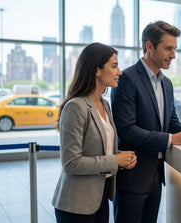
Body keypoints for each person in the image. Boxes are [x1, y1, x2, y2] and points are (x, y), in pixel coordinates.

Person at [111, 21, 181, 223]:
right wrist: (171, 139)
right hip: (133, 176)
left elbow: (172, 122)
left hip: (156, 176)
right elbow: (126, 130)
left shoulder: (166, 84)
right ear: (149, 46)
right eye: (168, 48)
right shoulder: (127, 79)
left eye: (175, 49)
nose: (173, 55)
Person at [52, 42, 137, 223]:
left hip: (100, 199)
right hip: (76, 205)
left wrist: (122, 158)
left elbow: (100, 150)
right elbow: (71, 163)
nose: (119, 72)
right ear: (97, 70)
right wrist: (115, 160)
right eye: (113, 66)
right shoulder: (75, 107)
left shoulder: (104, 105)